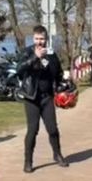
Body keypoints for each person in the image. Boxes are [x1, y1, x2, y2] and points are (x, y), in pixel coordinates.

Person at [17, 25, 68, 173]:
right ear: (33, 39)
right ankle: (28, 161)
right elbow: (19, 69)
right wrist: (35, 57)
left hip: (47, 97)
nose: (39, 42)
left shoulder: (51, 54)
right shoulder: (27, 52)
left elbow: (58, 74)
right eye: (37, 39)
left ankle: (57, 154)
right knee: (33, 130)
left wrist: (63, 84)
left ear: (46, 39)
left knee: (52, 129)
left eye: (42, 39)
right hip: (31, 97)